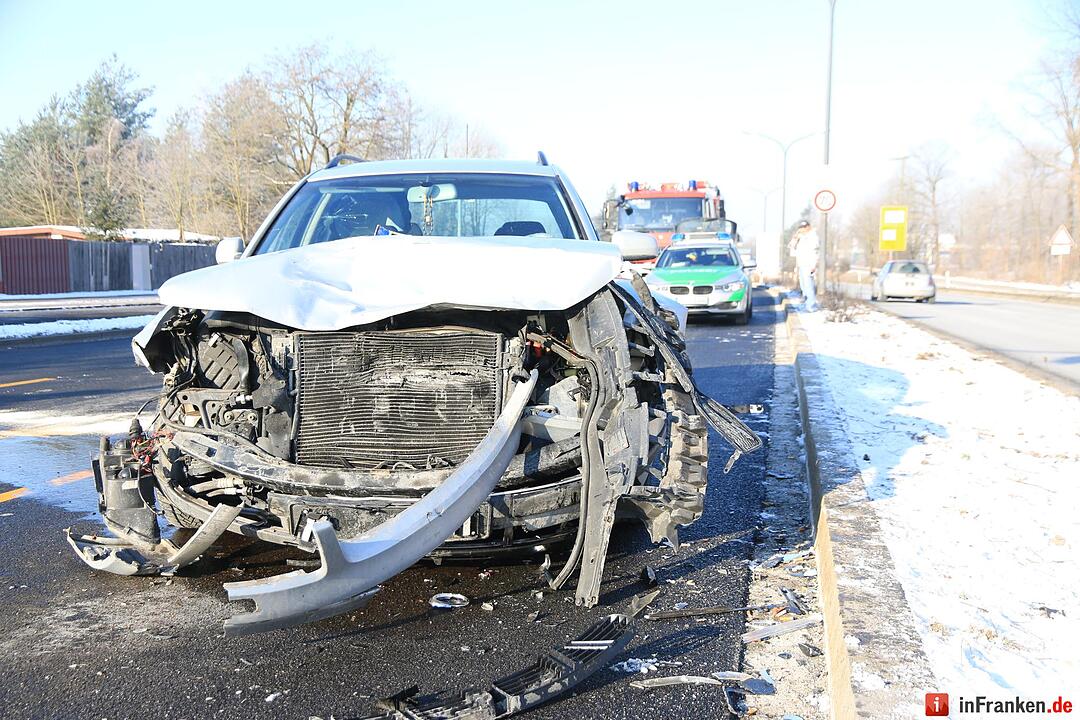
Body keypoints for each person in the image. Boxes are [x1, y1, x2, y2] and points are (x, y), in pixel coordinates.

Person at [788, 220, 820, 311]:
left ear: (809, 227)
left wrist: (813, 265)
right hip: (801, 264)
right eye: (801, 227)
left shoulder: (813, 237)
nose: (803, 229)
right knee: (803, 286)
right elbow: (791, 247)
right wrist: (795, 238)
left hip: (809, 264)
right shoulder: (800, 237)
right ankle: (807, 304)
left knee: (808, 285)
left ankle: (811, 306)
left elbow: (816, 252)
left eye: (805, 227)